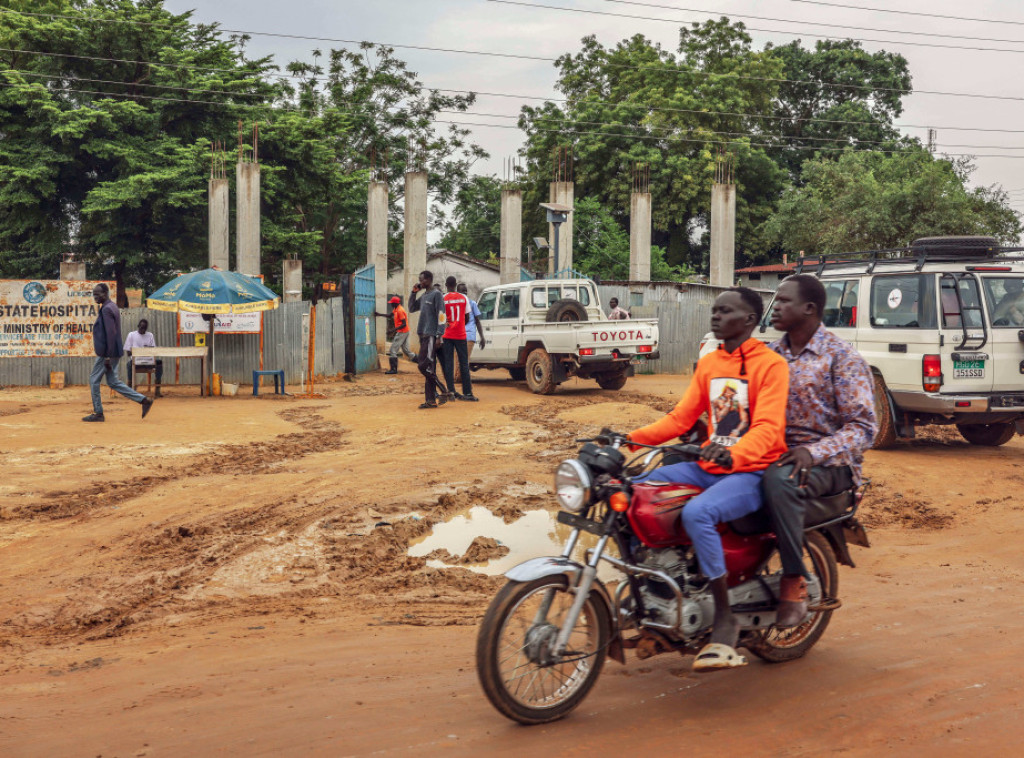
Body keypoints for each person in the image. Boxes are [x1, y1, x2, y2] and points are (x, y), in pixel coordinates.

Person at [628, 287, 788, 672]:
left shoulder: (770, 365)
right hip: (708, 465)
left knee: (698, 513)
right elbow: (681, 419)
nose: (715, 317)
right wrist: (629, 439)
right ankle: (654, 589)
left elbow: (767, 429)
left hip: (752, 471)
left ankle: (724, 616)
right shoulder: (710, 363)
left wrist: (734, 453)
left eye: (725, 311)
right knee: (635, 490)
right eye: (714, 311)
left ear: (748, 320)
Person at [763, 274, 877, 627]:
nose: (775, 307)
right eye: (775, 300)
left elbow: (863, 428)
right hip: (778, 453)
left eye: (783, 301)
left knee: (780, 480)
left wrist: (813, 452)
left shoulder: (841, 357)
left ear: (809, 308)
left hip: (831, 465)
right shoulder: (770, 355)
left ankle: (793, 580)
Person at [83, 284, 154, 422]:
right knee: (113, 382)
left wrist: (108, 357)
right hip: (112, 352)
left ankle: (98, 413)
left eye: (97, 294)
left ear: (105, 293)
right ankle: (144, 400)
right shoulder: (112, 306)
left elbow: (111, 333)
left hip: (107, 353)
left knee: (93, 380)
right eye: (94, 294)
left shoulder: (107, 309)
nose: (95, 297)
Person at [409, 270, 448, 409]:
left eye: (423, 280)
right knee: (429, 368)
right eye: (420, 280)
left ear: (429, 279)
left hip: (431, 335)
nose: (421, 283)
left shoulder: (436, 294)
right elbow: (412, 308)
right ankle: (431, 400)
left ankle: (443, 390)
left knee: (423, 366)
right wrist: (413, 293)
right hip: (423, 335)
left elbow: (442, 315)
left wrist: (439, 335)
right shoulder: (425, 295)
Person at [440, 276, 478, 401]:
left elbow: (441, 318)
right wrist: (459, 323)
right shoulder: (464, 298)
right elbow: (467, 317)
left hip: (447, 335)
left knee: (449, 364)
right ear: (455, 285)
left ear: (446, 285)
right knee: (463, 364)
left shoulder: (443, 298)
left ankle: (451, 391)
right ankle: (467, 393)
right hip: (461, 335)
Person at [124, 318, 163, 397]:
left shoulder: (150, 335)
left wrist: (146, 351)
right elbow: (128, 352)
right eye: (141, 328)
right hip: (136, 361)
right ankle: (130, 389)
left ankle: (157, 389)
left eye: (145, 328)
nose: (143, 330)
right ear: (138, 326)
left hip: (148, 360)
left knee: (159, 363)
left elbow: (153, 350)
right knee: (129, 364)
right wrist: (138, 352)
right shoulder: (131, 335)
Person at [376, 296, 415, 374]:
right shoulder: (396, 309)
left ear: (395, 303)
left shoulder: (400, 310)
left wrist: (393, 330)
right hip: (405, 331)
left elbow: (404, 324)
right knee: (406, 351)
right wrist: (379, 314)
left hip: (402, 332)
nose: (391, 304)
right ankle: (422, 362)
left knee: (393, 350)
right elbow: (390, 315)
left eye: (392, 303)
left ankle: (393, 369)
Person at [456, 282, 487, 358]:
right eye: (463, 291)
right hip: (458, 337)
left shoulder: (472, 303)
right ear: (458, 293)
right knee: (459, 362)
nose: (465, 293)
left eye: (466, 291)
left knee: (462, 361)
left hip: (468, 336)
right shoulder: (455, 304)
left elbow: (477, 321)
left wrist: (482, 337)